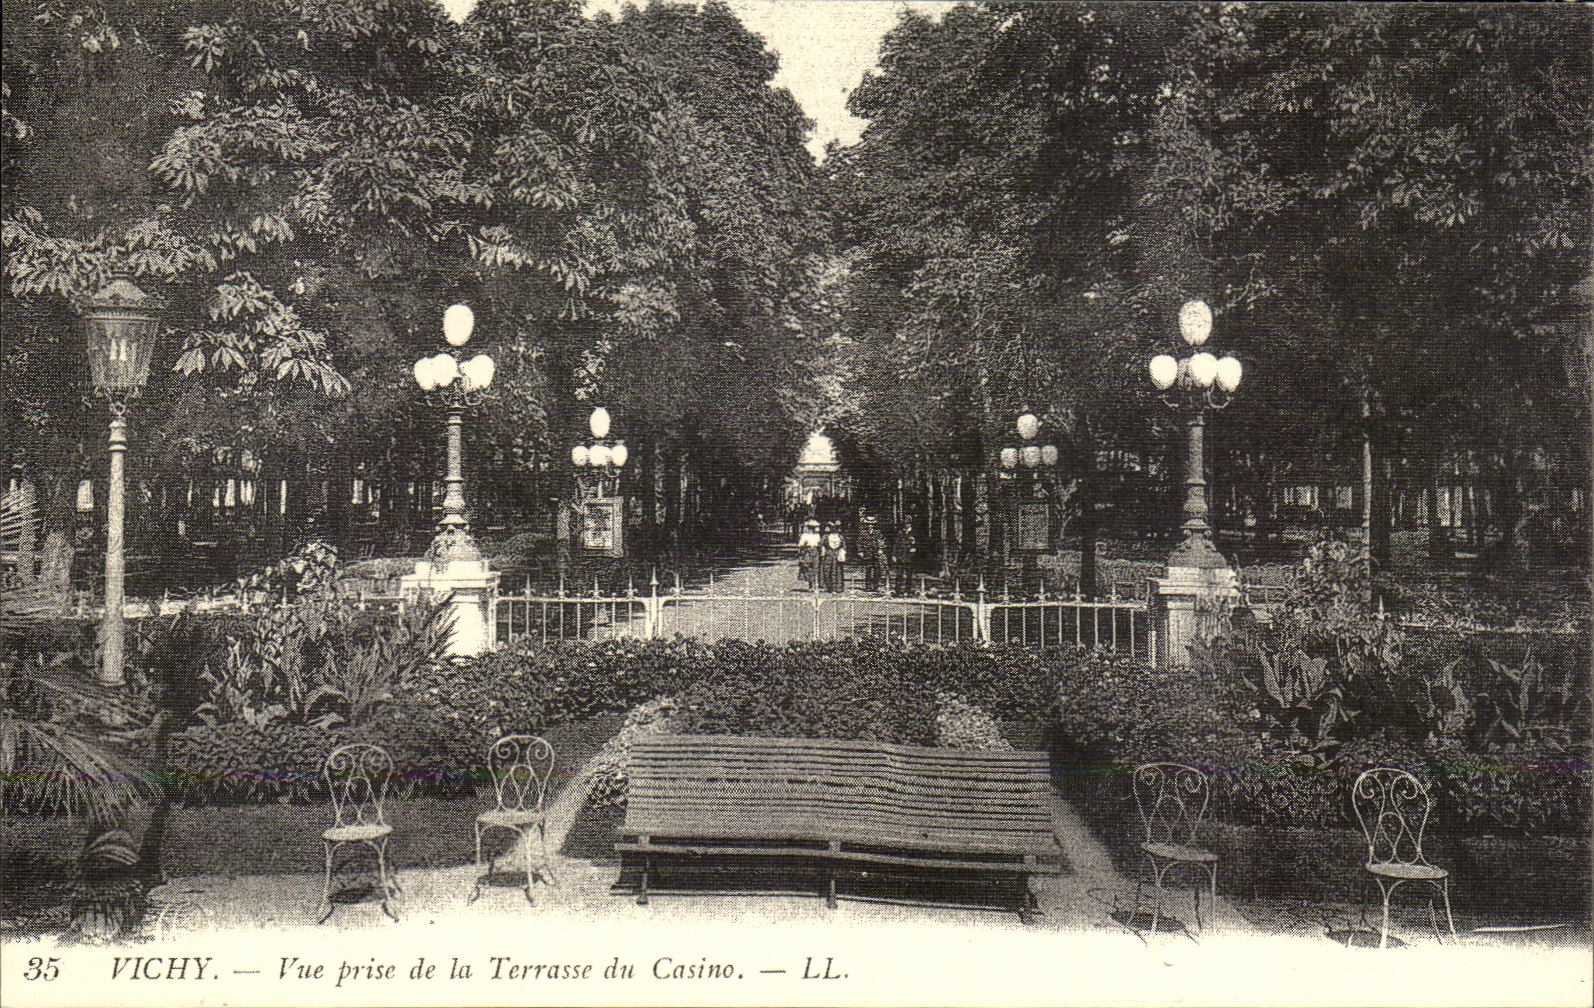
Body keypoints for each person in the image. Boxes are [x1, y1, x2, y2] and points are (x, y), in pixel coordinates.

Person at [857, 515, 887, 592]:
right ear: (866, 525)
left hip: (875, 553)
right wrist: (860, 551)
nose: (870, 525)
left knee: (877, 570)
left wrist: (880, 549)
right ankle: (868, 586)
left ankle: (875, 586)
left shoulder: (878, 532)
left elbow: (881, 542)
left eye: (872, 524)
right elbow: (859, 542)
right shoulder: (863, 533)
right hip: (867, 553)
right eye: (868, 524)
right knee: (868, 570)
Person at [796, 518, 822, 591]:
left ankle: (816, 584)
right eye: (811, 527)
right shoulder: (805, 535)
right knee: (808, 568)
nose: (812, 529)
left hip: (815, 551)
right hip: (807, 551)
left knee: (816, 567)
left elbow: (819, 544)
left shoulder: (817, 535)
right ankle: (810, 584)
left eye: (813, 527)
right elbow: (801, 545)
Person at [824, 524, 847, 592]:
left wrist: (842, 553)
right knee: (828, 570)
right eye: (832, 528)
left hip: (838, 554)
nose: (834, 530)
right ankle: (830, 587)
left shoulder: (840, 537)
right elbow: (823, 545)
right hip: (829, 554)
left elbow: (844, 546)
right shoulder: (827, 536)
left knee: (838, 571)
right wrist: (825, 552)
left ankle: (838, 587)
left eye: (835, 528)